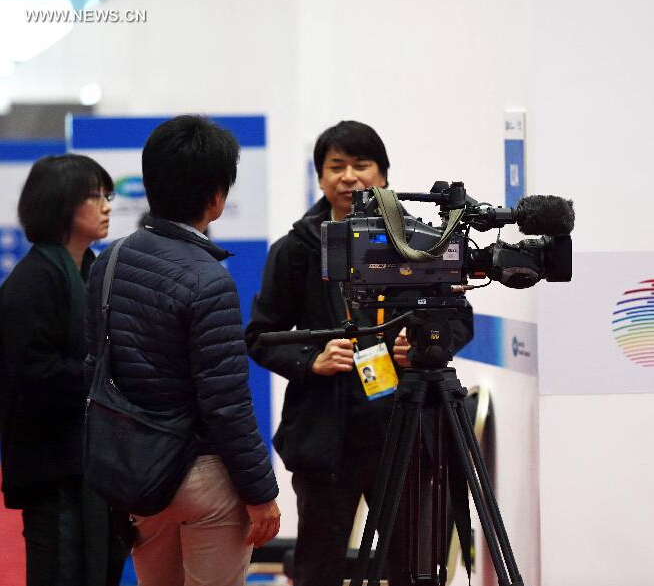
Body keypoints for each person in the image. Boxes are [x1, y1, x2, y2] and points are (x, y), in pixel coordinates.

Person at [245, 120, 473, 586]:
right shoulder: (294, 251)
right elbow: (260, 337)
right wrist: (312, 358)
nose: (349, 176)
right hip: (327, 438)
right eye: (336, 167)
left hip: (404, 430)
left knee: (408, 567)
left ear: (383, 176)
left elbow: (459, 318)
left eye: (361, 165)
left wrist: (429, 346)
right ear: (321, 178)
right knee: (318, 568)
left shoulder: (418, 244)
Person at [84, 115, 280, 586]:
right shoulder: (209, 279)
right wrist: (261, 493)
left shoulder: (107, 262)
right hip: (203, 478)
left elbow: (96, 364)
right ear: (216, 196)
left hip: (137, 476)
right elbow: (227, 404)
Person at [0, 154, 126, 586]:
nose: (107, 206)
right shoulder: (33, 281)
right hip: (52, 471)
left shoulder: (94, 270)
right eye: (95, 197)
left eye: (107, 195)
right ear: (60, 205)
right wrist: (103, 374)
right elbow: (29, 376)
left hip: (96, 468)